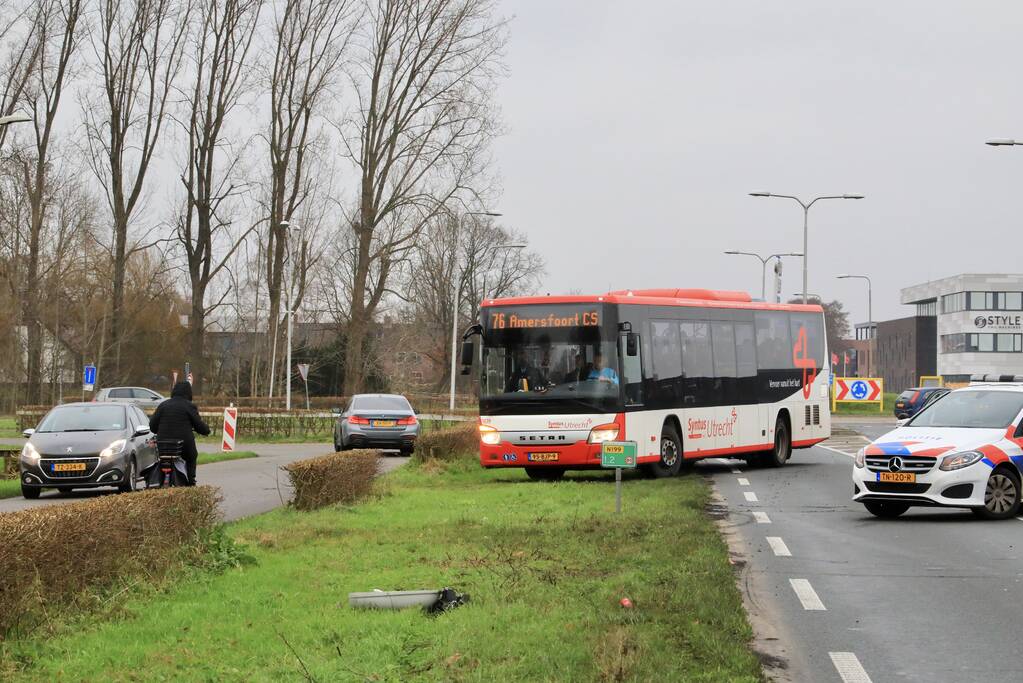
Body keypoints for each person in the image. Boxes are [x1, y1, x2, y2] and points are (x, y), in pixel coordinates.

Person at [149, 381, 211, 486]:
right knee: (192, 456)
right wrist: (206, 431)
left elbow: (152, 426)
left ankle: (159, 481)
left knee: (163, 459)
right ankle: (191, 482)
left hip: (164, 444)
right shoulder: (189, 406)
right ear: (189, 393)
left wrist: (159, 430)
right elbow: (199, 425)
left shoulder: (163, 405)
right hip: (183, 444)